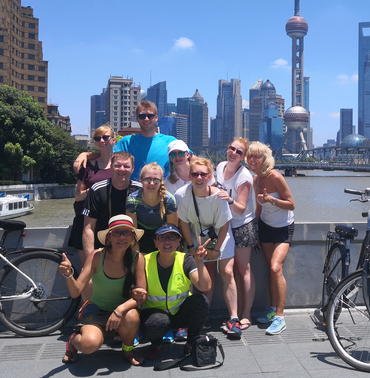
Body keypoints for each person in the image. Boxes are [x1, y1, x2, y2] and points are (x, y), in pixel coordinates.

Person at [60, 214, 145, 366]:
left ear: (133, 236)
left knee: (132, 316)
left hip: (122, 314)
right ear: (109, 237)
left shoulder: (137, 258)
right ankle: (73, 341)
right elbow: (76, 291)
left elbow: (141, 297)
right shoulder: (97, 256)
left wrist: (119, 310)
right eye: (117, 232)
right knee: (89, 345)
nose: (122, 237)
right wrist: (68, 274)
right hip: (96, 311)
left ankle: (128, 350)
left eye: (126, 232)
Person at [175, 157, 242, 339]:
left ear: (209, 176)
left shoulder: (218, 196)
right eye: (195, 174)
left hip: (221, 237)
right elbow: (183, 222)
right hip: (196, 237)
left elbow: (225, 225)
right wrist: (190, 247)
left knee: (227, 272)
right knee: (204, 273)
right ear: (189, 176)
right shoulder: (182, 194)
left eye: (203, 174)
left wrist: (216, 249)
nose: (199, 177)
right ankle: (201, 316)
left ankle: (234, 318)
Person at [134, 224, 212, 360]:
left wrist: (199, 262)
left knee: (201, 301)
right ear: (155, 242)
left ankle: (191, 342)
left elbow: (205, 287)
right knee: (158, 322)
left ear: (178, 242)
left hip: (179, 312)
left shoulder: (186, 259)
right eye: (162, 237)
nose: (167, 241)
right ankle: (156, 345)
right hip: (155, 314)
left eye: (172, 237)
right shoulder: (144, 261)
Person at [246, 142, 295, 335]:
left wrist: (272, 200)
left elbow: (291, 205)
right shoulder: (255, 180)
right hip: (265, 227)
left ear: (265, 159)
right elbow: (259, 208)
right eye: (250, 156)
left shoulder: (276, 177)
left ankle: (280, 318)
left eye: (257, 156)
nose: (253, 159)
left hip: (284, 228)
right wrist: (256, 230)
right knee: (270, 268)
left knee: (276, 267)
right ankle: (272, 309)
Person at [74, 101, 175, 180]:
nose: (146, 119)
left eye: (150, 116)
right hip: (132, 198)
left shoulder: (171, 142)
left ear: (156, 117)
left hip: (162, 197)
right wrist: (85, 154)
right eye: (142, 116)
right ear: (137, 118)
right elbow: (106, 153)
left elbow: (189, 158)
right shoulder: (127, 142)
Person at [214, 137, 255, 332]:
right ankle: (234, 314)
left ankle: (246, 314)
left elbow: (240, 208)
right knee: (229, 272)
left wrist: (229, 199)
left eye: (239, 152)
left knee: (243, 270)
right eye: (232, 148)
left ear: (243, 157)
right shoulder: (220, 166)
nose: (234, 153)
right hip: (224, 225)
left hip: (241, 226)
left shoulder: (244, 176)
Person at [68, 124, 114, 269]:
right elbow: (78, 196)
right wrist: (96, 189)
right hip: (85, 220)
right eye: (98, 138)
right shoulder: (87, 165)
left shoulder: (120, 165)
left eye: (106, 137)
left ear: (113, 139)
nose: (102, 141)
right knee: (87, 267)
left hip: (109, 220)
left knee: (110, 267)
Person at [82, 152, 142, 254]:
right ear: (110, 167)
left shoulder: (141, 190)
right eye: (117, 165)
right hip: (104, 248)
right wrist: (91, 259)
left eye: (126, 166)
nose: (122, 169)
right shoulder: (97, 190)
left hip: (133, 247)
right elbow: (88, 228)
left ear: (132, 169)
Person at [126, 162, 178, 254]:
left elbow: (172, 233)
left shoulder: (169, 200)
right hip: (141, 237)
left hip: (164, 236)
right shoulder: (132, 200)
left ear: (161, 181)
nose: (152, 183)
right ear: (141, 180)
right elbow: (133, 233)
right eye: (147, 179)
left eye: (156, 180)